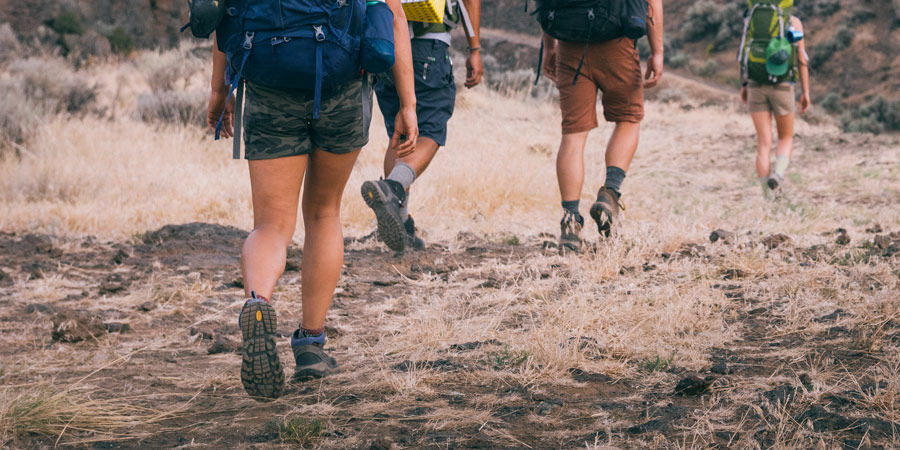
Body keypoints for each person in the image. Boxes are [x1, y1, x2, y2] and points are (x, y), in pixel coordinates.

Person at [206, 0, 419, 399]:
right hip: (342, 83)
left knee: (271, 224)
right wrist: (407, 105)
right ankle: (311, 348)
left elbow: (220, 13)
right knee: (323, 213)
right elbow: (394, 13)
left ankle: (258, 302)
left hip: (269, 83)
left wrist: (220, 91)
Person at [541, 0, 664, 252]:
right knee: (629, 119)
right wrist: (657, 51)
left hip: (569, 44)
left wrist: (549, 45)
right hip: (617, 43)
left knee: (573, 136)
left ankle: (570, 223)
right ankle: (610, 193)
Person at [361, 0, 483, 252]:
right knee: (430, 131)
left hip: (386, 42)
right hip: (428, 45)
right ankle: (392, 188)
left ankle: (401, 223)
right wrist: (475, 49)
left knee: (401, 136)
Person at [741, 15, 810, 197]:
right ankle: (778, 174)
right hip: (783, 86)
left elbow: (744, 54)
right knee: (786, 137)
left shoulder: (754, 19)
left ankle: (768, 197)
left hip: (756, 84)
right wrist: (806, 92)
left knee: (763, 143)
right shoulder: (793, 22)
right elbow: (802, 60)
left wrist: (745, 84)